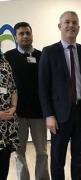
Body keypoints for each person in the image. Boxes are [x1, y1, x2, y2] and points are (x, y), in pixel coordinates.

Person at [39, 11, 81, 180]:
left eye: (74, 23)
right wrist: (49, 115)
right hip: (59, 115)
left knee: (79, 159)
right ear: (60, 26)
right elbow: (43, 87)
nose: (71, 25)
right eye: (67, 22)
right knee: (58, 159)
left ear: (78, 28)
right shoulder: (49, 52)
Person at [4, 22, 49, 180]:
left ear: (32, 35)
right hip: (18, 114)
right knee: (19, 151)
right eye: (21, 33)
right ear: (15, 37)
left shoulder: (42, 55)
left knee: (42, 151)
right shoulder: (7, 57)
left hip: (39, 113)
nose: (25, 36)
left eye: (27, 33)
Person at [0, 49, 19, 180]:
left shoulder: (4, 63)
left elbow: (13, 88)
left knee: (3, 164)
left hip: (7, 125)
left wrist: (13, 107)